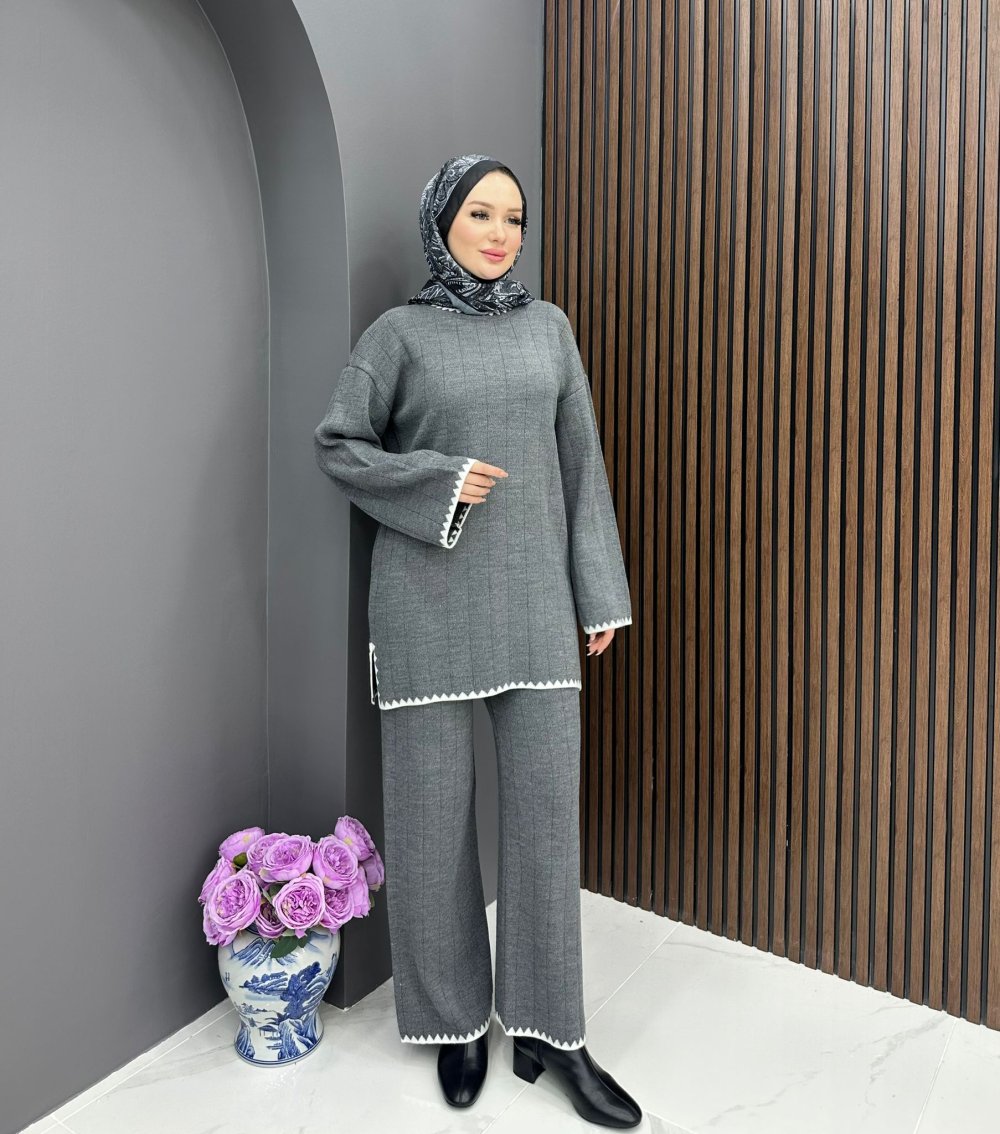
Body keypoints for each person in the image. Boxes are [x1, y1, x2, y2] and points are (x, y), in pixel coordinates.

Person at [314, 153, 641, 1128]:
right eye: (481, 215)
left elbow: (581, 463)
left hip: (536, 603)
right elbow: (339, 443)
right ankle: (453, 1022)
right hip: (424, 607)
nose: (501, 234)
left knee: (545, 822)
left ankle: (550, 1029)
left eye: (514, 219)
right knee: (430, 825)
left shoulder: (551, 330)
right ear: (442, 221)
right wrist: (440, 481)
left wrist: (599, 595)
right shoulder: (398, 335)